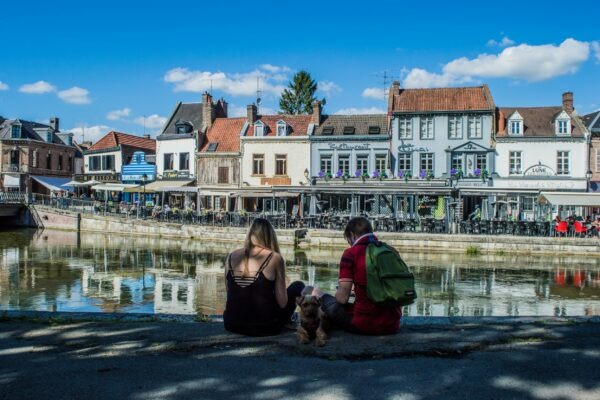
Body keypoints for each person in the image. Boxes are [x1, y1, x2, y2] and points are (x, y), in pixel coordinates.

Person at [313, 217, 401, 335]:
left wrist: (340, 291)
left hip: (365, 324)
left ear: (353, 235)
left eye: (348, 240)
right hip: (392, 324)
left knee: (313, 292)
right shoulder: (391, 251)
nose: (350, 244)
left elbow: (342, 299)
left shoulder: (351, 254)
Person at [223, 218, 304, 336]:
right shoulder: (275, 258)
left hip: (232, 324)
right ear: (270, 236)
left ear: (250, 234)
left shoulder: (231, 257)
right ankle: (288, 321)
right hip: (266, 327)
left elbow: (230, 293)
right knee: (298, 286)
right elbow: (282, 303)